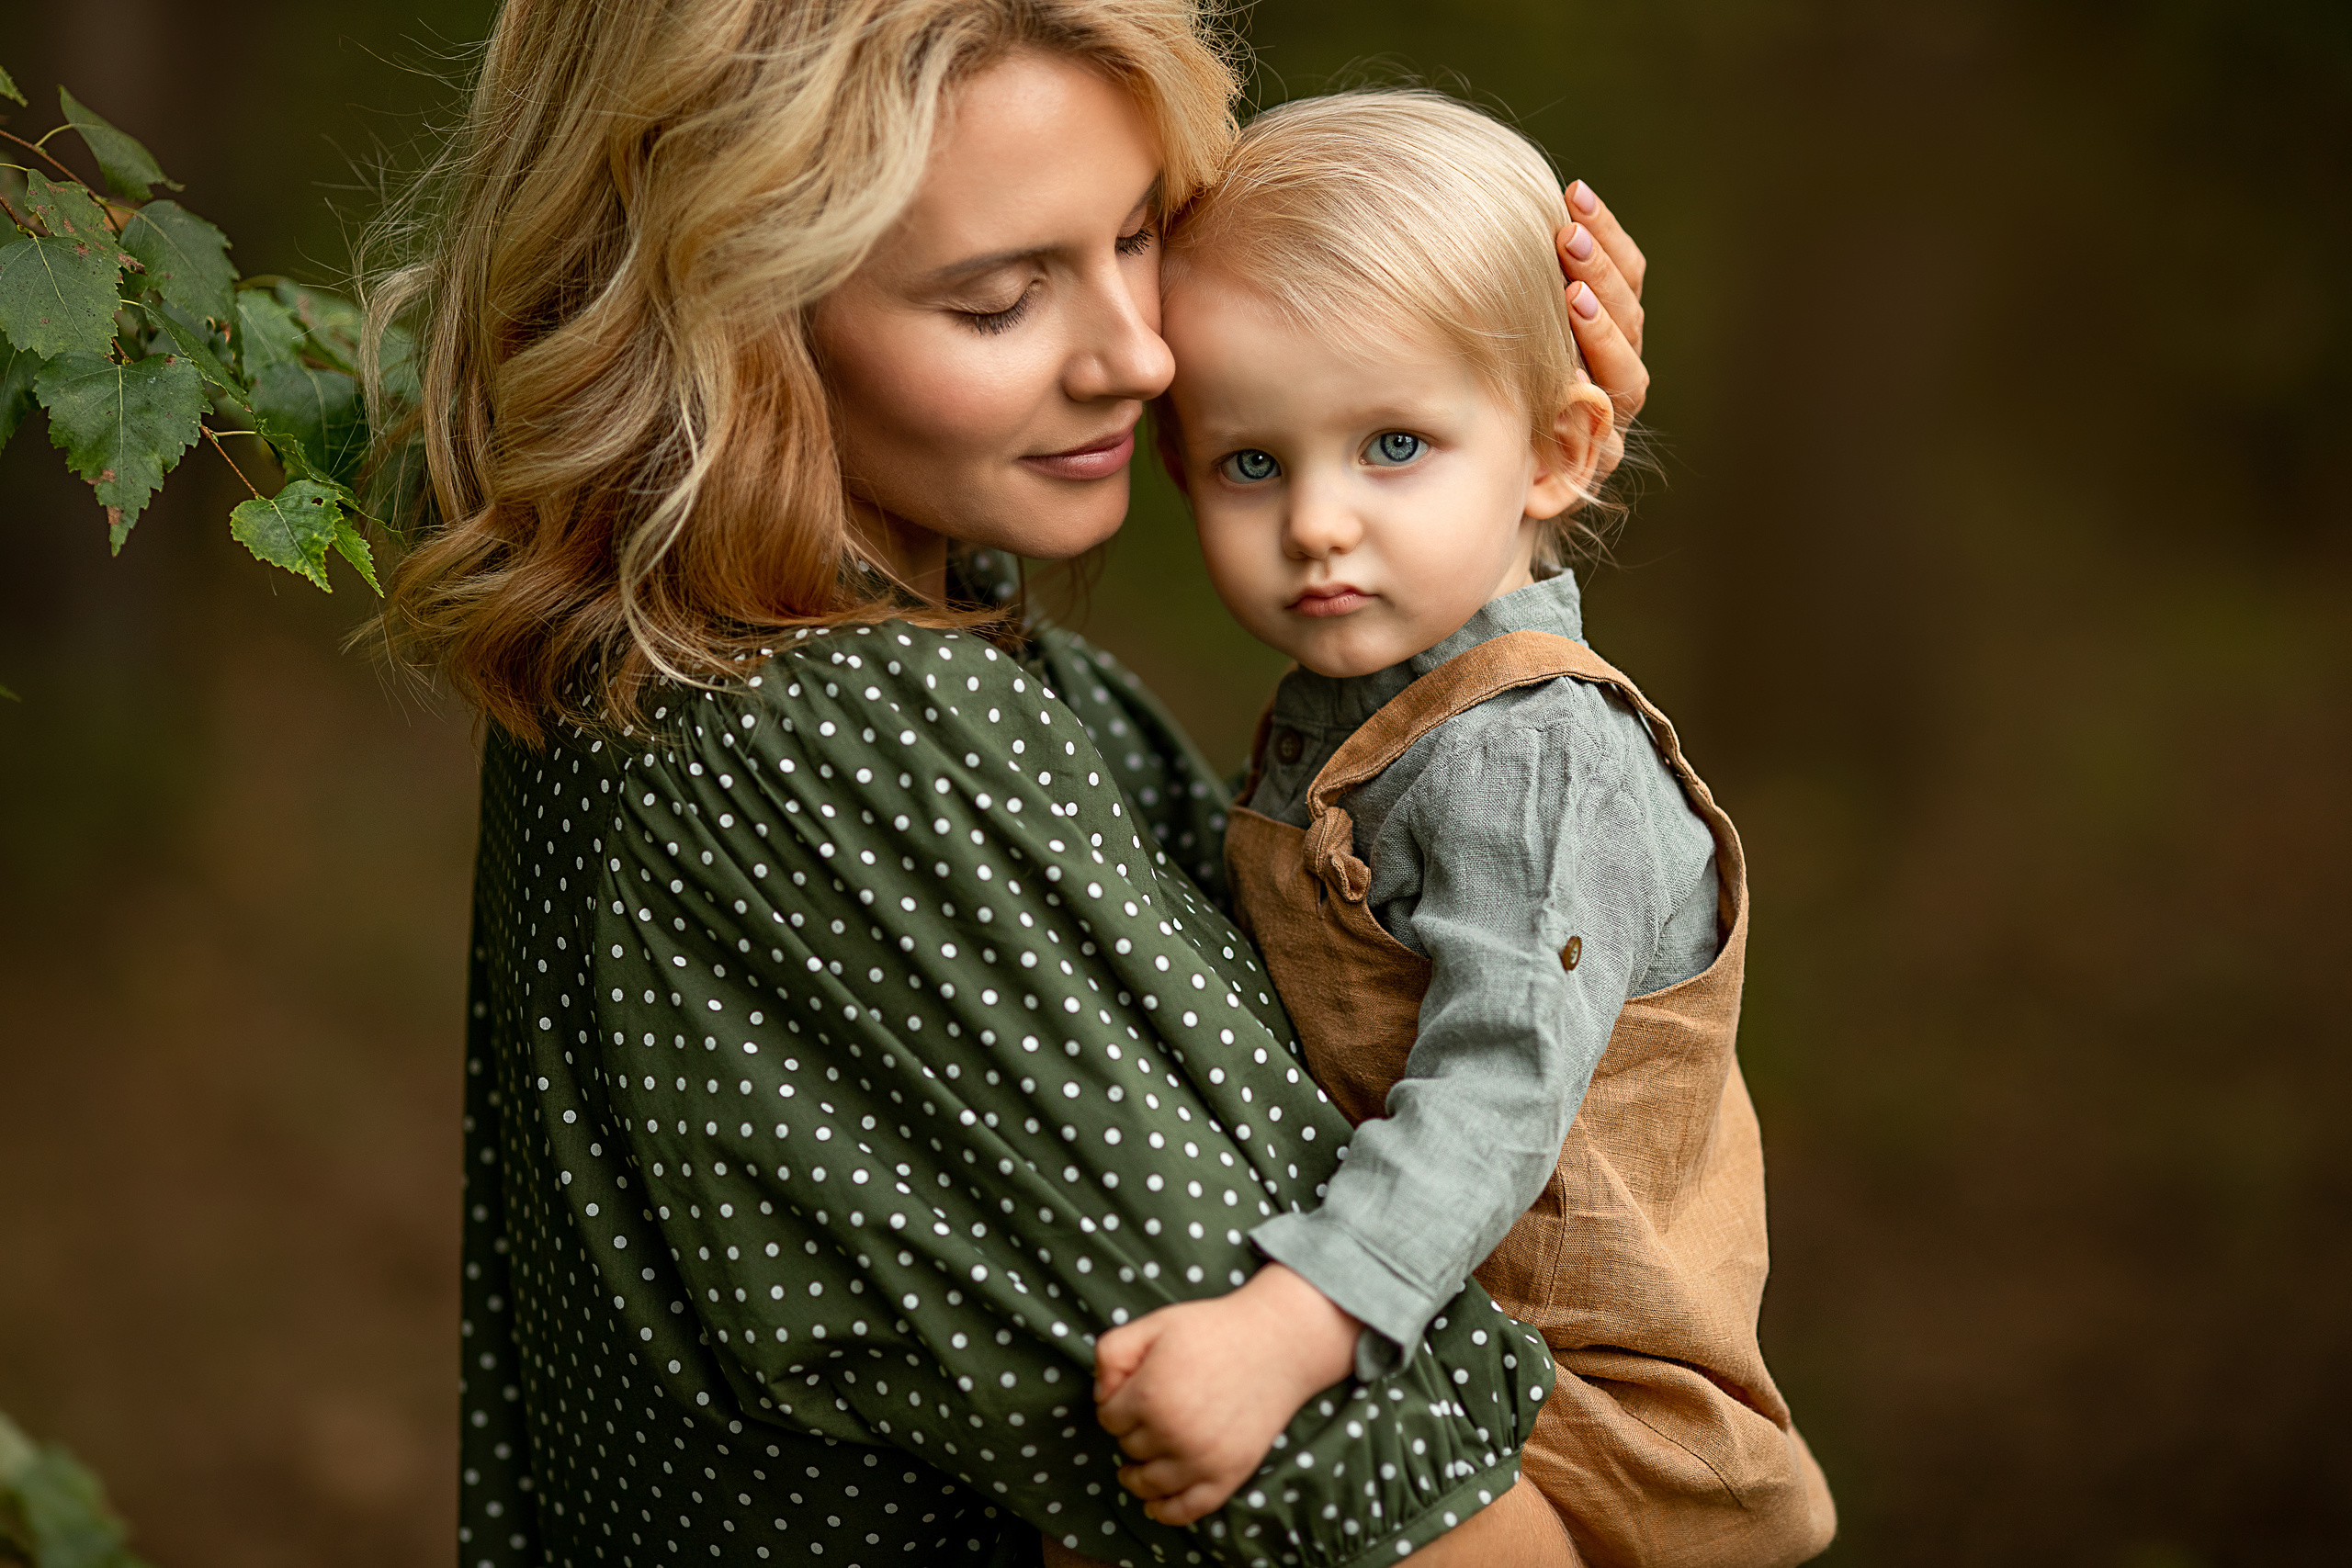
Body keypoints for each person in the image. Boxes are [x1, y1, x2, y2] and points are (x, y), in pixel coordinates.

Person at [372, 3, 1653, 1563]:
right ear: (737, 314)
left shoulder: (765, 647)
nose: (1142, 354)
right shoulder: (838, 746)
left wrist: (1491, 456)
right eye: (997, 301)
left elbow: (1356, 966)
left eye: (1134, 237)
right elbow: (1386, 1520)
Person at [1087, 93, 1835, 1567]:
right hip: (1462, 1344)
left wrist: (1290, 1329)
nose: (1316, 521)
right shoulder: (1361, 711)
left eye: (1395, 444)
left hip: (1590, 1409)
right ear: (1179, 469)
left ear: (1556, 451)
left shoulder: (1534, 755)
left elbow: (1498, 1086)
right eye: (1254, 463)